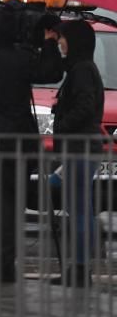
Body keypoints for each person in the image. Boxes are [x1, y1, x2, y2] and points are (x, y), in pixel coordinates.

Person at [0, 4, 63, 283]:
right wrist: (49, 42)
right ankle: (3, 265)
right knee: (9, 206)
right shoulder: (20, 60)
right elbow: (51, 73)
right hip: (17, 147)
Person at [50, 19, 104, 287]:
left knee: (80, 209)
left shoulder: (82, 70)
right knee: (79, 207)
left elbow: (84, 106)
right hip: (82, 148)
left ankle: (81, 270)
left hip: (80, 148)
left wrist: (61, 124)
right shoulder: (81, 68)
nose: (60, 42)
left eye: (63, 38)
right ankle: (80, 267)